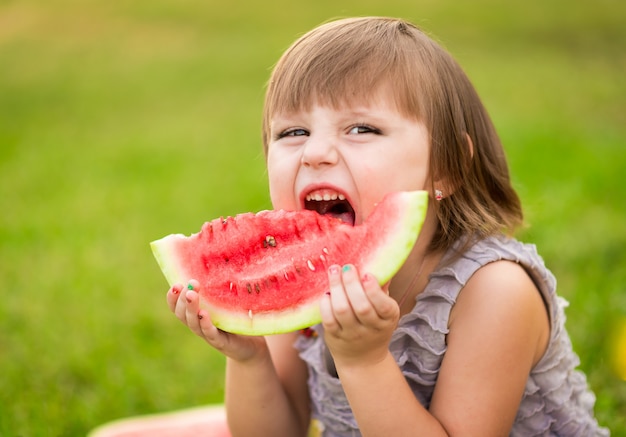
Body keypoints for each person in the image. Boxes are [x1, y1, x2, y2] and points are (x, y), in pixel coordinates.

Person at [93, 16, 609, 437]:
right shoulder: (299, 269)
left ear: (447, 168)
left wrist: (362, 362)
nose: (315, 152)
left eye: (362, 128)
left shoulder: (495, 291)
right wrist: (249, 360)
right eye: (293, 131)